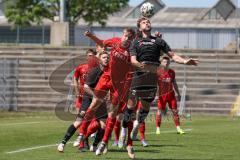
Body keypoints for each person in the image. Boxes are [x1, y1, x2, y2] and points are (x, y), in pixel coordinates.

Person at [123, 17, 199, 143]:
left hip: (152, 78)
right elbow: (132, 59)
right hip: (139, 76)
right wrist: (139, 64)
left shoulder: (159, 41)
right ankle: (124, 130)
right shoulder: (136, 42)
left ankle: (137, 124)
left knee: (146, 107)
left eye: (148, 22)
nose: (147, 23)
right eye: (144, 22)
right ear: (139, 27)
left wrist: (185, 61)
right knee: (130, 105)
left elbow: (173, 55)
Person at [79, 28, 136, 159]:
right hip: (108, 79)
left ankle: (116, 142)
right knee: (101, 109)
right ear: (123, 35)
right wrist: (90, 35)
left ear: (132, 39)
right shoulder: (115, 41)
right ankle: (88, 137)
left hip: (122, 85)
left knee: (124, 114)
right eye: (125, 36)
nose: (126, 38)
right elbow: (101, 42)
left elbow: (135, 65)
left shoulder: (132, 51)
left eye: (129, 37)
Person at [57, 51, 109, 152]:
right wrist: (95, 96)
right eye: (104, 57)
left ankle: (94, 146)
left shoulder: (109, 71)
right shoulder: (94, 72)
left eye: (107, 57)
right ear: (99, 60)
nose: (106, 59)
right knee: (78, 122)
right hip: (88, 99)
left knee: (103, 125)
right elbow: (86, 87)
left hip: (100, 101)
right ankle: (63, 143)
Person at [156, 56, 184, 134]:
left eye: (168, 62)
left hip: (171, 94)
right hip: (162, 95)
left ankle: (178, 128)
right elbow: (156, 84)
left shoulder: (172, 72)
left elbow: (174, 83)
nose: (166, 63)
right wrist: (156, 95)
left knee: (175, 111)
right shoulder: (158, 72)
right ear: (161, 63)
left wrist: (178, 93)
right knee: (159, 111)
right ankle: (158, 128)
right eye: (164, 62)